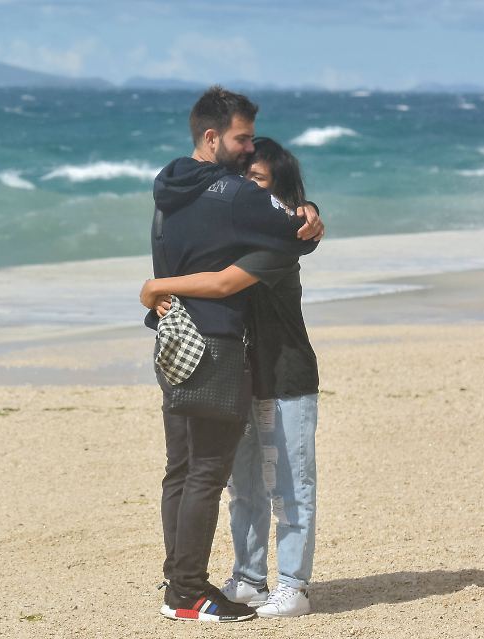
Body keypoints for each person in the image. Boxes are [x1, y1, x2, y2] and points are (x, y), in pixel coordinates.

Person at [147, 87, 323, 623]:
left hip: (174, 339)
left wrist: (158, 287)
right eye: (242, 138)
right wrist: (307, 216)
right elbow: (290, 234)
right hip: (219, 346)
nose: (248, 151)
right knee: (206, 471)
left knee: (182, 469)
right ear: (212, 136)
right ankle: (189, 592)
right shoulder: (234, 195)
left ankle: (183, 583)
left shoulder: (172, 190)